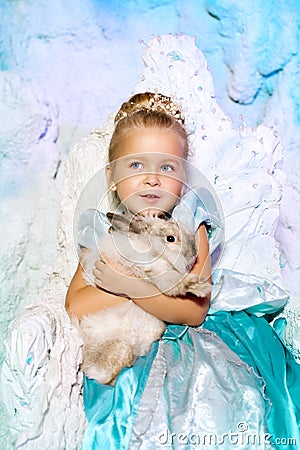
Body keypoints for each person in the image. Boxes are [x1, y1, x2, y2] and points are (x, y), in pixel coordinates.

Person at [66, 92, 300, 449]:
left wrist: (128, 285)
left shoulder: (191, 224)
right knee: (126, 402)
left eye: (167, 167)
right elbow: (76, 305)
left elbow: (193, 311)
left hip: (200, 339)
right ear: (111, 176)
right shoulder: (102, 229)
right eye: (136, 166)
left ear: (184, 174)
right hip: (129, 343)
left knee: (224, 398)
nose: (152, 180)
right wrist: (124, 284)